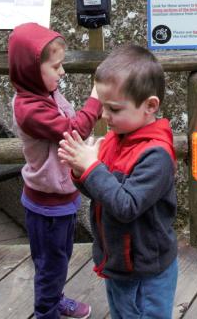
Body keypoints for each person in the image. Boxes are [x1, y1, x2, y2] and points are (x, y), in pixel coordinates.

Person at [58, 45, 178, 319]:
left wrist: (92, 167)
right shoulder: (116, 136)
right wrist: (80, 170)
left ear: (150, 106)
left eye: (113, 108)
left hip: (145, 270)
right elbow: (101, 191)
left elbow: (126, 205)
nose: (103, 116)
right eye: (102, 106)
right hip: (118, 263)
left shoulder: (155, 155)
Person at [8, 22, 102, 319]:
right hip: (46, 205)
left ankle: (55, 298)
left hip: (61, 196)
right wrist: (96, 98)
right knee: (50, 263)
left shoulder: (45, 94)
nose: (62, 73)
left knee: (59, 258)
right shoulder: (29, 108)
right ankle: (45, 312)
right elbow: (73, 130)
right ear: (31, 71)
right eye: (56, 67)